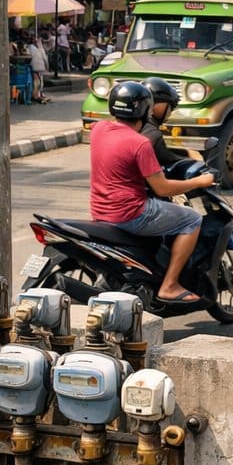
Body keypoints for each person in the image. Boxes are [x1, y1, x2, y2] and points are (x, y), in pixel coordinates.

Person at [89, 80, 215, 305]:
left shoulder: (98, 130)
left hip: (99, 212)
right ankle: (169, 286)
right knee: (192, 220)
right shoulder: (140, 144)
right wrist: (198, 182)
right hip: (131, 214)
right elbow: (162, 188)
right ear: (146, 110)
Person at [139, 77, 190, 171]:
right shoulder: (153, 134)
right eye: (171, 105)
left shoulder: (135, 125)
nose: (171, 111)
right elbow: (170, 159)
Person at [25, 33, 52, 104]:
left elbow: (44, 58)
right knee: (38, 82)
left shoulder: (31, 48)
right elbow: (45, 58)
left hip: (36, 67)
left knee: (38, 82)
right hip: (38, 67)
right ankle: (36, 95)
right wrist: (47, 67)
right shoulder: (37, 48)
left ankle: (37, 95)